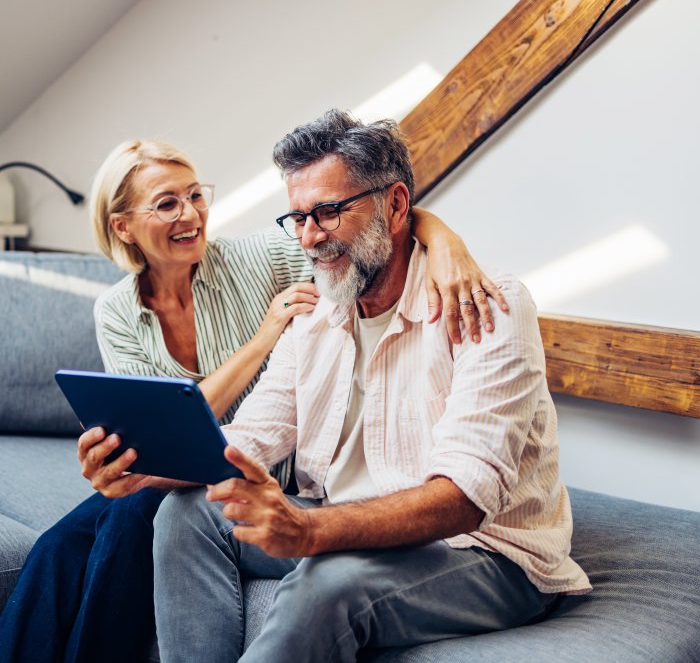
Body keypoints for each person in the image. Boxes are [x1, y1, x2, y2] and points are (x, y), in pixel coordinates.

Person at [0, 138, 508, 662]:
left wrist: (443, 240)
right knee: (61, 545)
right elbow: (173, 427)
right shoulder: (119, 310)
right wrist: (131, 462)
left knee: (129, 520)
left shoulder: (256, 256)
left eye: (195, 195)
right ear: (123, 226)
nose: (190, 214)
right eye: (167, 203)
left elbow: (366, 223)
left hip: (263, 471)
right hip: (215, 456)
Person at [148, 111, 592, 663]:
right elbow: (247, 440)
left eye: (330, 212)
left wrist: (311, 530)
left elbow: (464, 499)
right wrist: (136, 462)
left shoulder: (488, 305)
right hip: (352, 525)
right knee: (185, 514)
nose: (310, 238)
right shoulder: (314, 316)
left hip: (484, 554)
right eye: (300, 217)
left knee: (329, 582)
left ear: (397, 205)